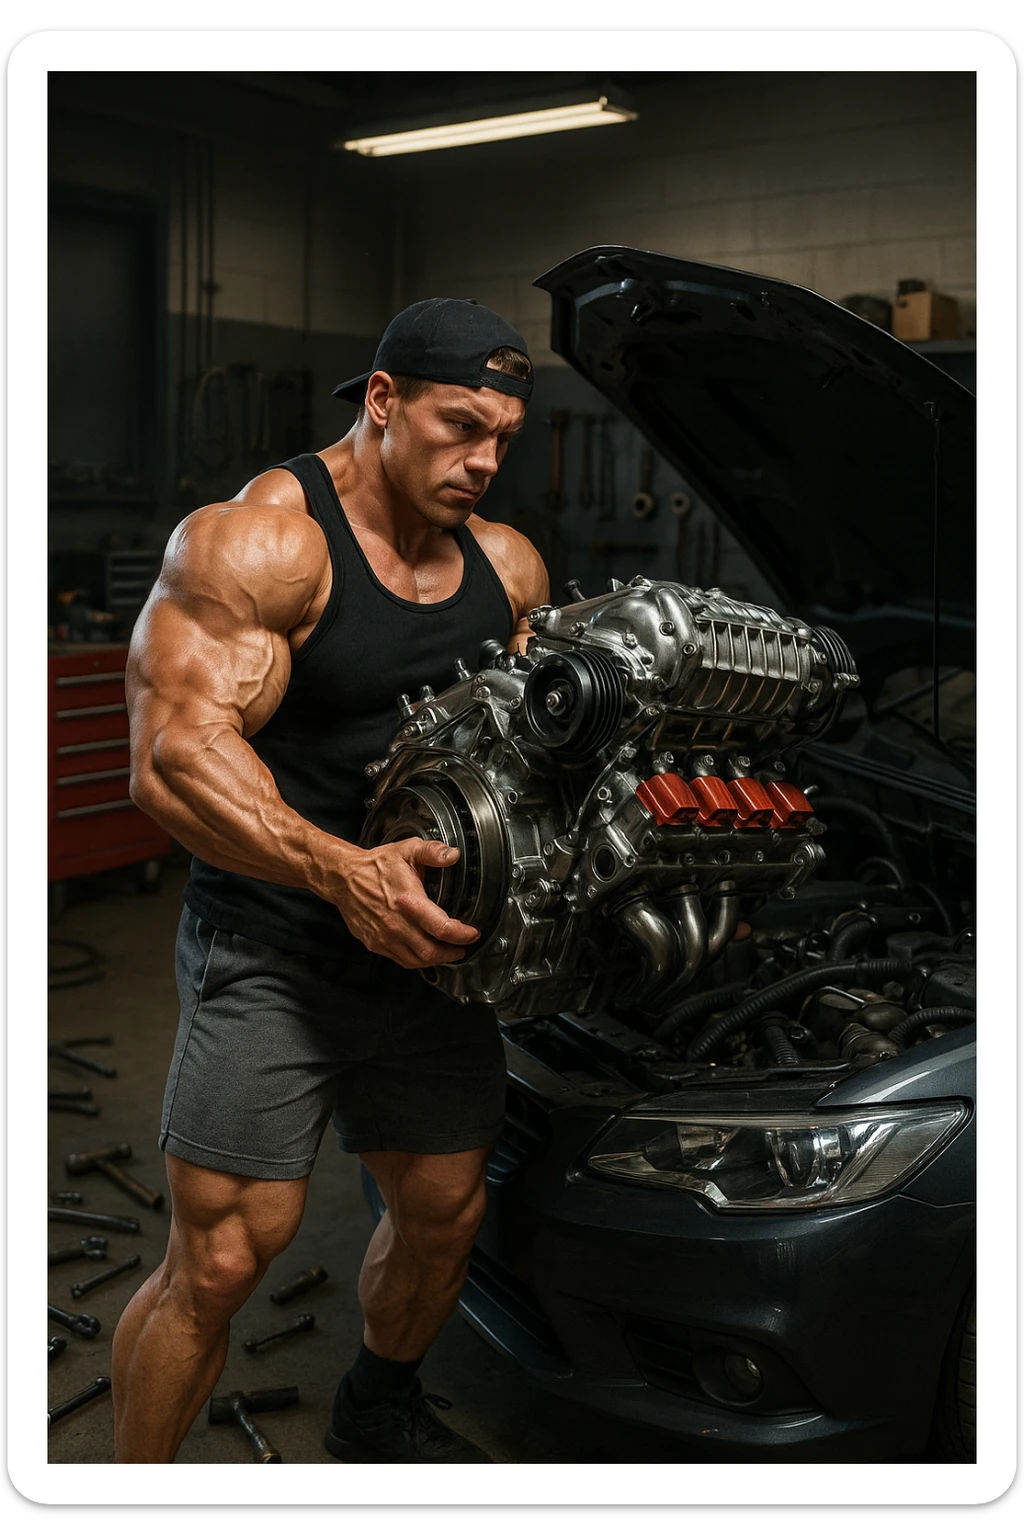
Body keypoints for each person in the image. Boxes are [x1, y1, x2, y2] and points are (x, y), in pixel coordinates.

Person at [114, 297, 549, 1463]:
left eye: (504, 438)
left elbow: (529, 755)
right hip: (274, 947)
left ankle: (376, 1411)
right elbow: (171, 758)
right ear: (383, 401)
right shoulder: (264, 545)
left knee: (445, 1216)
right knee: (220, 1259)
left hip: (427, 956)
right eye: (462, 427)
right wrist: (341, 871)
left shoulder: (505, 567)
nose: (484, 461)